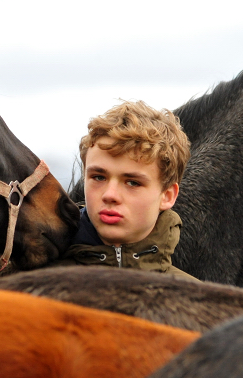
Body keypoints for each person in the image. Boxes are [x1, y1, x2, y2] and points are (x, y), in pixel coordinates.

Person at [55, 100, 198, 281]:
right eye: (98, 177)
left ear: (168, 196)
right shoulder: (31, 289)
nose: (110, 195)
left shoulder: (199, 300)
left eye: (132, 183)